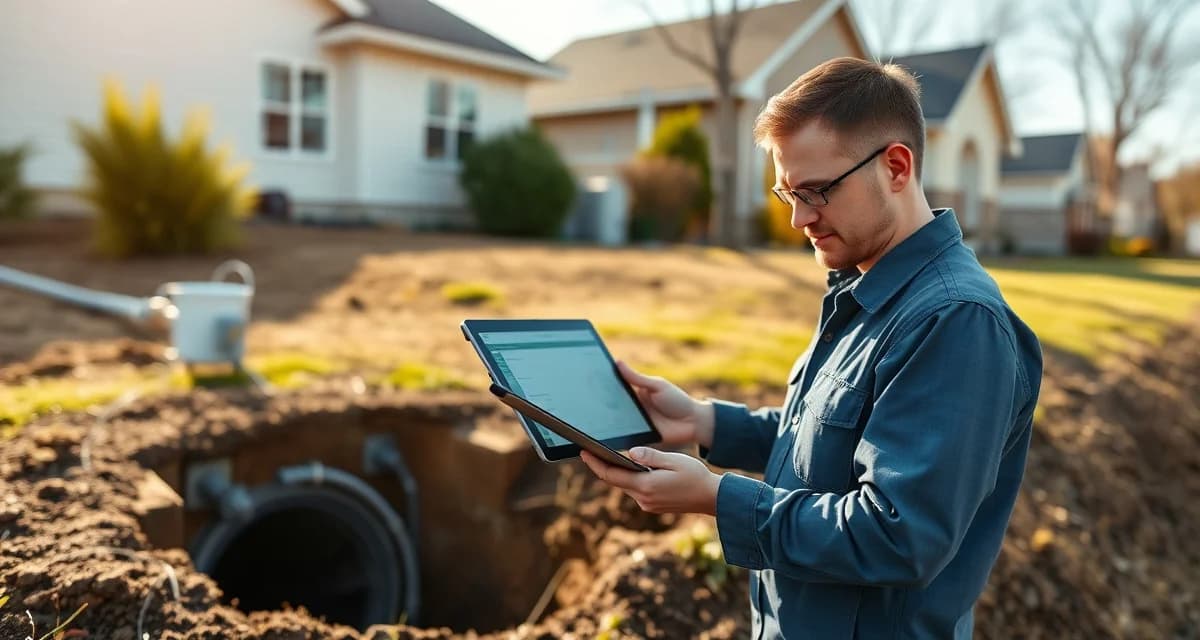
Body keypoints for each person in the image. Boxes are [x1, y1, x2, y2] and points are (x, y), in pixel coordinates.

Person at [580, 57, 1043, 639]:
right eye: (786, 192)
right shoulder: (868, 287)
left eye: (817, 191)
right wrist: (703, 422)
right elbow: (828, 443)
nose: (799, 218)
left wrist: (718, 497)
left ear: (896, 166)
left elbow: (899, 535)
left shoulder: (955, 322)